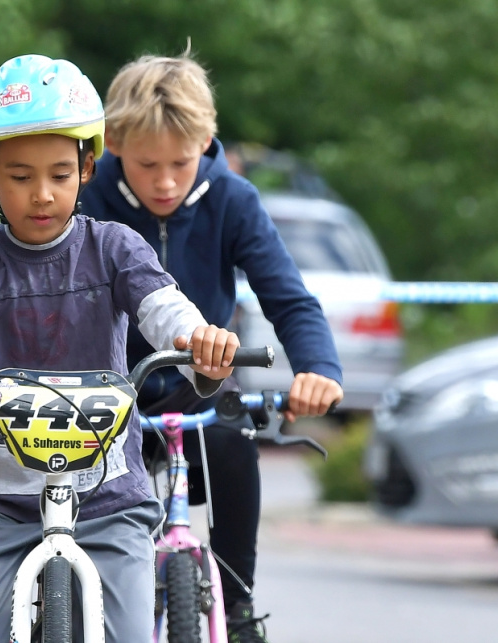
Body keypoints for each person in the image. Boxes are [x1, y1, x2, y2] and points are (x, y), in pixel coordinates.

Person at [0, 54, 243, 643]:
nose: (41, 195)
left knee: (129, 633)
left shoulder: (116, 248)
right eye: (20, 177)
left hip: (108, 497)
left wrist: (197, 341)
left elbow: (164, 308)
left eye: (60, 175)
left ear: (87, 169)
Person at [79, 49, 345, 643]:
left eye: (181, 162)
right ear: (114, 143)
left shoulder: (232, 199)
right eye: (147, 165)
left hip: (200, 381)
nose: (166, 182)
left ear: (206, 140)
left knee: (232, 440)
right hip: (106, 385)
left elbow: (289, 299)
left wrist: (318, 368)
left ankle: (238, 605)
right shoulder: (86, 199)